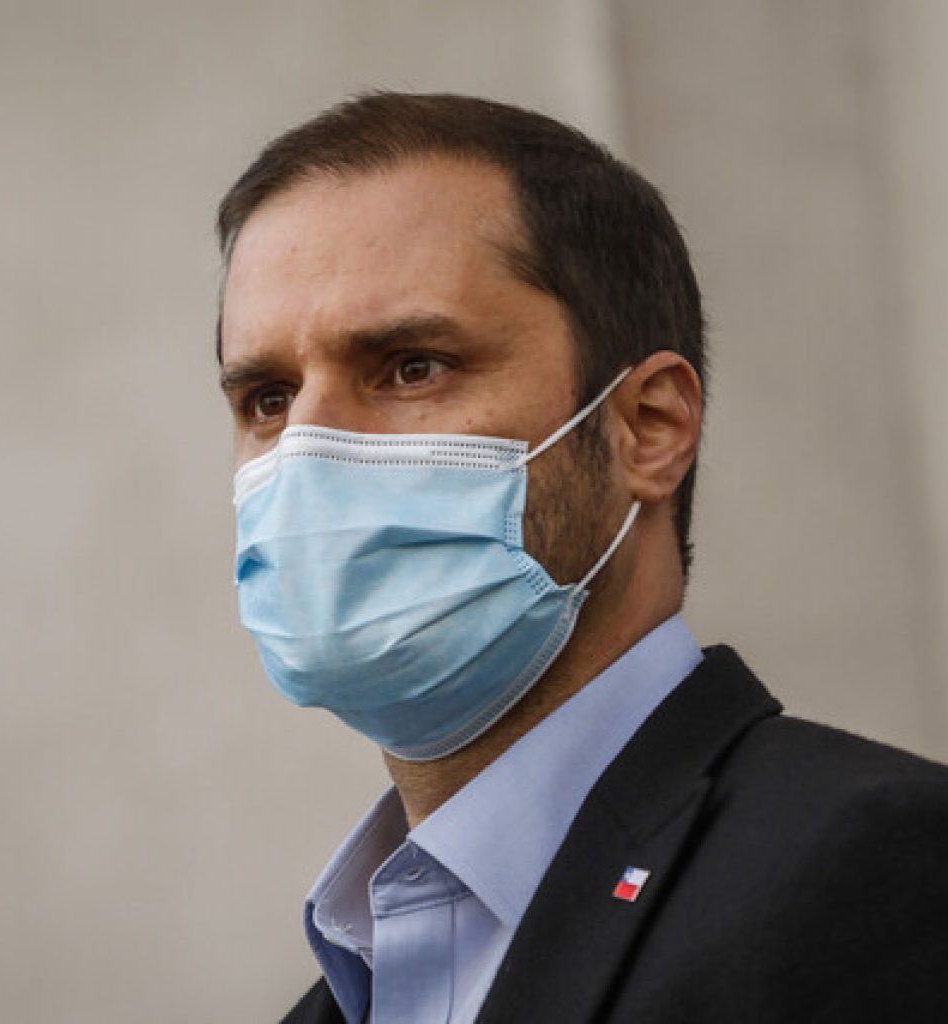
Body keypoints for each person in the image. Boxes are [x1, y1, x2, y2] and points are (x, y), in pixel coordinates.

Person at [214, 93, 948, 1023]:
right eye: (269, 398)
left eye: (412, 366)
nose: (309, 452)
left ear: (649, 426)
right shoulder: (339, 993)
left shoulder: (874, 866)